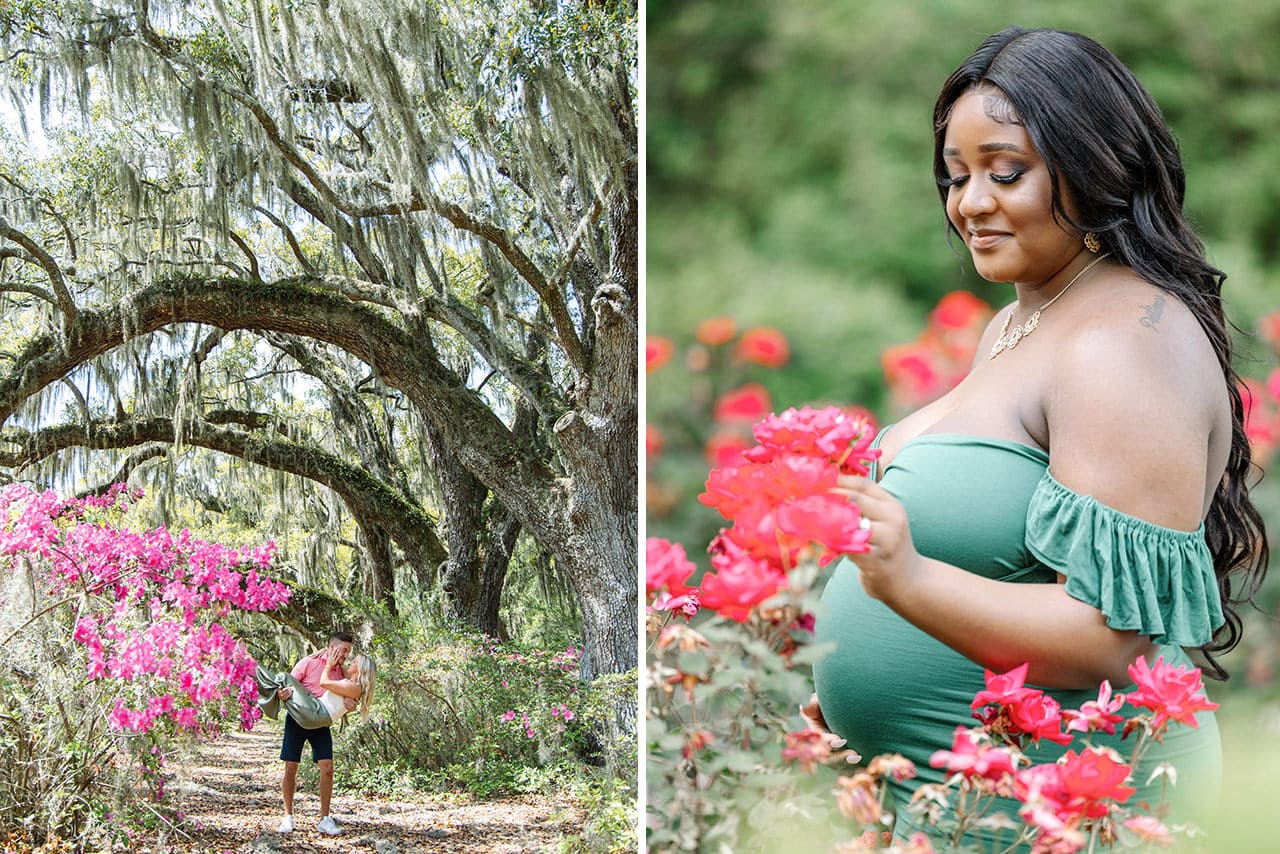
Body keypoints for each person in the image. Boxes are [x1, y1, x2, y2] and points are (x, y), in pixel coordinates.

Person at [807, 26, 1269, 847]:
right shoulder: (1024, 321)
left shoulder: (1125, 340)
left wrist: (906, 583)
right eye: (956, 176)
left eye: (1005, 172)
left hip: (1075, 811)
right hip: (963, 799)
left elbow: (1113, 638)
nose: (970, 203)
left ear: (1093, 161)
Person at [273, 631, 358, 836]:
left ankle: (325, 819)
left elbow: (350, 697)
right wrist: (281, 693)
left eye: (348, 652)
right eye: (343, 650)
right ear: (331, 647)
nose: (345, 655)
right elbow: (286, 685)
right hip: (297, 720)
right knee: (290, 767)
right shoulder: (308, 662)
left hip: (321, 724)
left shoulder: (341, 673)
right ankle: (288, 816)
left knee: (327, 767)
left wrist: (351, 705)